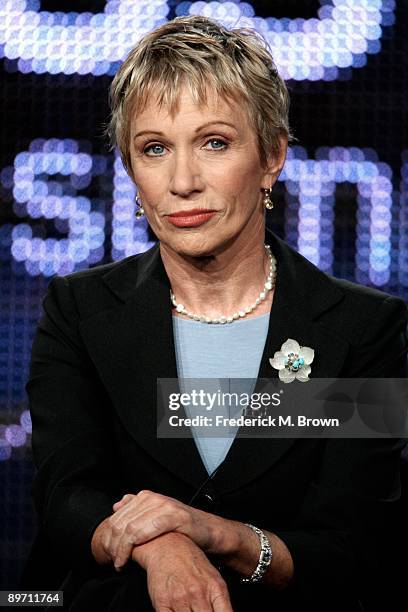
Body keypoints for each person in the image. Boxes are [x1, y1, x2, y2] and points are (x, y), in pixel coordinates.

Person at [23, 15, 407, 612]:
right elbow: (67, 496)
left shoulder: (362, 331)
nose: (182, 181)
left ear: (272, 155)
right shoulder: (79, 312)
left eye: (215, 143)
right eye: (154, 149)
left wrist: (216, 535)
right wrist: (163, 547)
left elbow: (357, 548)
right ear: (131, 171)